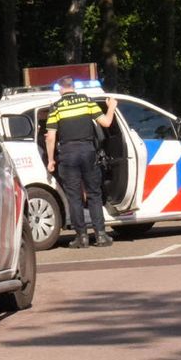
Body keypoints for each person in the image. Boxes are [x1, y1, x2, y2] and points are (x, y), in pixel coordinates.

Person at [44, 76, 117, 248]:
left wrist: (51, 160)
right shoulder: (87, 101)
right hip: (87, 151)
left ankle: (81, 237)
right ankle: (101, 235)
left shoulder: (56, 107)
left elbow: (50, 137)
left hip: (68, 154)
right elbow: (106, 123)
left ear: (60, 89)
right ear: (73, 87)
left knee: (74, 197)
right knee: (94, 194)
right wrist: (111, 107)